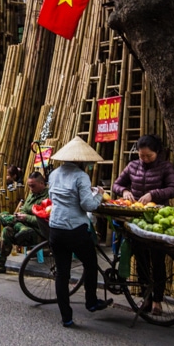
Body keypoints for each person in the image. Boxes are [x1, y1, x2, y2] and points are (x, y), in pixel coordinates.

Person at [48, 136, 113, 327]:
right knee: (91, 264)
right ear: (82, 161)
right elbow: (88, 205)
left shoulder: (54, 174)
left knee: (62, 274)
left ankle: (66, 317)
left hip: (55, 228)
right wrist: (100, 195)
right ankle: (91, 302)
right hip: (75, 229)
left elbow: (53, 196)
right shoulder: (81, 176)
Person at [112, 134, 174, 315]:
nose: (144, 159)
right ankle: (146, 297)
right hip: (136, 219)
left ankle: (157, 300)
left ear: (157, 152)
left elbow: (173, 189)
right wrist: (124, 191)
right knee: (141, 259)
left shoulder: (166, 167)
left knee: (157, 260)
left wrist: (153, 194)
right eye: (142, 156)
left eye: (148, 156)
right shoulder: (133, 166)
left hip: (157, 219)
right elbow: (116, 185)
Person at [0, 171, 49, 275]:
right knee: (4, 219)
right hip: (24, 228)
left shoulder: (48, 198)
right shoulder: (32, 194)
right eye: (29, 186)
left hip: (38, 232)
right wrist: (19, 216)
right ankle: (0, 265)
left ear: (42, 183)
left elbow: (44, 220)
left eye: (33, 186)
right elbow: (24, 209)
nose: (31, 189)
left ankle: (21, 227)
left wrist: (26, 218)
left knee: (10, 229)